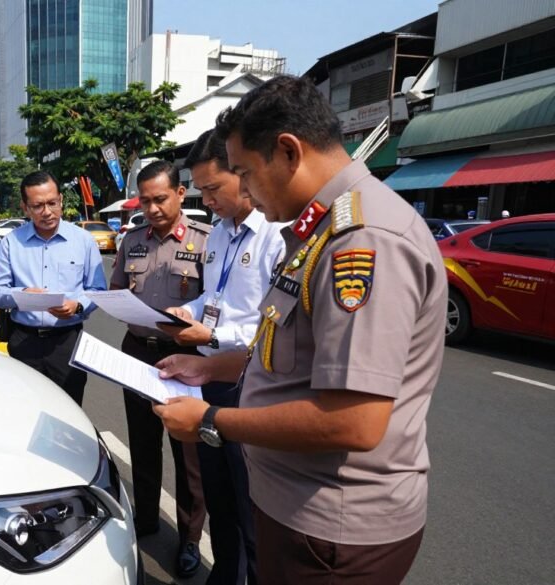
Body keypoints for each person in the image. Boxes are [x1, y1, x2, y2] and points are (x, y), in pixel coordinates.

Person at [154, 75, 446, 585]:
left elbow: (353, 422)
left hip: (332, 529)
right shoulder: (320, 228)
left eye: (245, 173)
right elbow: (284, 349)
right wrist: (210, 367)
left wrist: (210, 420)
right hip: (297, 509)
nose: (242, 190)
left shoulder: (363, 240)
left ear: (288, 152)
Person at [157, 129, 286, 585]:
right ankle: (225, 574)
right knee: (220, 494)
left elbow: (278, 328)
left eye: (213, 188)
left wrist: (211, 332)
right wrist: (183, 312)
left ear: (242, 174)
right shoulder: (218, 237)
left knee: (253, 503)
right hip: (209, 379)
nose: (206, 199)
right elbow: (214, 296)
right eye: (201, 190)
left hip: (253, 384)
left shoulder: (276, 237)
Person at [109, 161, 209, 577]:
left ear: (181, 194)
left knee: (188, 452)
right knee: (143, 442)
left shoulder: (205, 242)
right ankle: (147, 519)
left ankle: (189, 537)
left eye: (160, 199)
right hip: (138, 351)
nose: (151, 208)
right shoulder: (132, 241)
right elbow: (115, 289)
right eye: (145, 200)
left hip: (185, 359)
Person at [0, 170, 106, 405]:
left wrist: (77, 304)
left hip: (67, 341)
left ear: (61, 200)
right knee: (26, 408)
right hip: (24, 341)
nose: (47, 212)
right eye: (38, 205)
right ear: (25, 207)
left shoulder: (83, 240)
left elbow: (98, 289)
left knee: (70, 409)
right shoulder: (11, 242)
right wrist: (20, 295)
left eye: (52, 203)